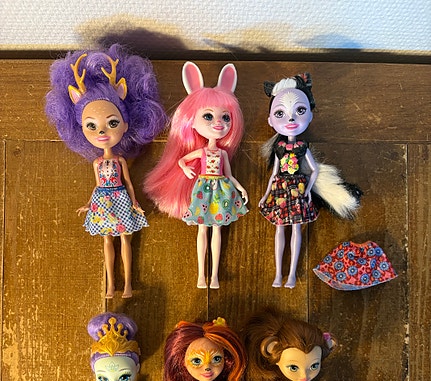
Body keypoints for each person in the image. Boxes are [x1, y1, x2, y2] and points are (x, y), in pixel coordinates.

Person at [46, 45, 166, 298]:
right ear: (79, 128)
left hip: (120, 198)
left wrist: (135, 202)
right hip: (103, 201)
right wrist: (88, 204)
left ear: (126, 123)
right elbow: (96, 185)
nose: (101, 132)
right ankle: (111, 284)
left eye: (112, 123)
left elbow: (129, 183)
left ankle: (128, 284)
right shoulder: (97, 164)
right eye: (91, 126)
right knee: (108, 240)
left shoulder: (119, 160)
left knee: (125, 239)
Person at [145, 62, 248, 289]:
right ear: (190, 121)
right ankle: (202, 275)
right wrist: (185, 169)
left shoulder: (222, 153)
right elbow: (182, 160)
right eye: (208, 116)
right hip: (202, 190)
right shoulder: (201, 152)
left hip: (220, 190)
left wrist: (239, 188)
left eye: (226, 117)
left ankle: (214, 276)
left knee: (217, 229)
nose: (219, 123)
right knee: (203, 229)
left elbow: (229, 174)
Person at [260, 73, 361, 288]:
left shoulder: (302, 148)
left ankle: (291, 274)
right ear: (270, 120)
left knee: (296, 229)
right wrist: (266, 194)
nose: (290, 119)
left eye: (300, 111)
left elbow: (314, 170)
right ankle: (278, 274)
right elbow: (274, 174)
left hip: (298, 189)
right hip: (280, 190)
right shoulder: (279, 149)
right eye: (280, 113)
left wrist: (307, 189)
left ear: (310, 115)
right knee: (280, 228)